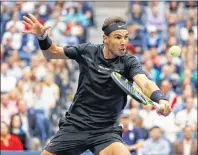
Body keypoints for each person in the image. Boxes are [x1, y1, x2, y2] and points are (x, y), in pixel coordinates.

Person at [22, 13, 171, 155]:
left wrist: (161, 99)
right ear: (105, 38)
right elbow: (52, 52)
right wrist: (42, 36)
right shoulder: (88, 51)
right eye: (118, 37)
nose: (123, 42)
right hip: (75, 125)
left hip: (106, 130)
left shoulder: (129, 62)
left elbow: (144, 83)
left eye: (126, 37)